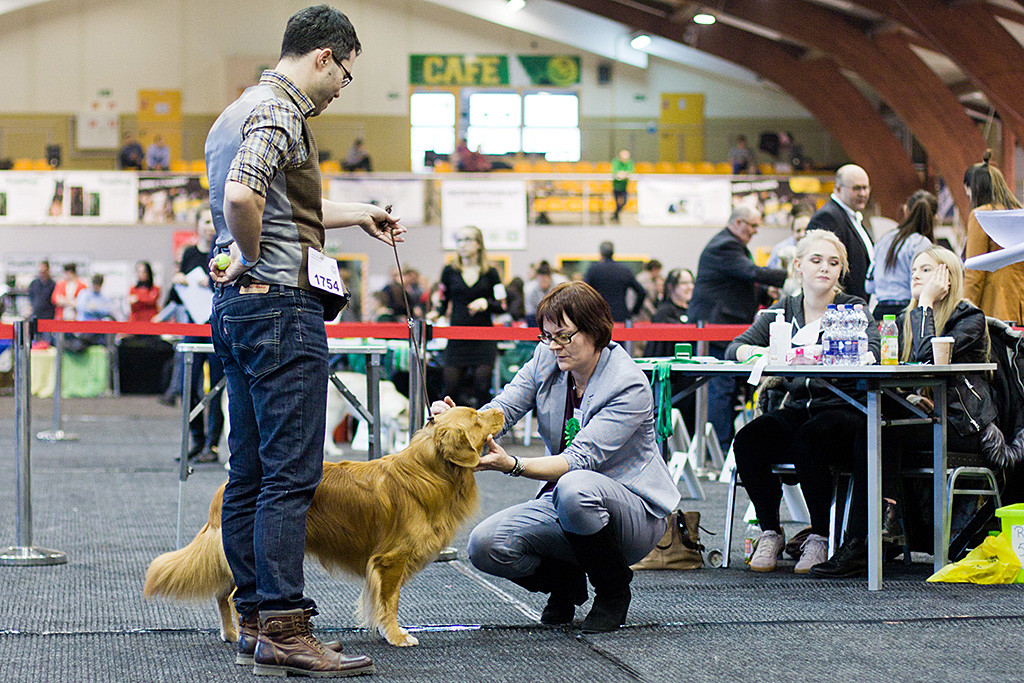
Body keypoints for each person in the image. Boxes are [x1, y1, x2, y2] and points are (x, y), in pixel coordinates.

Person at [205, 6, 403, 675]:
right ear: (324, 56)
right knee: (292, 476)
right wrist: (260, 259)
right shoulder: (280, 111)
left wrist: (359, 212)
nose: (342, 86)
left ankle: (260, 619)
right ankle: (286, 626)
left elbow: (279, 203)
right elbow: (243, 199)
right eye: (345, 73)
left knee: (251, 471)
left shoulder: (235, 112)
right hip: (280, 309)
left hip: (234, 308)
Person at [433, 281, 679, 632]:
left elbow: (580, 459)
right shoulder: (545, 359)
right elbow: (503, 409)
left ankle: (613, 590)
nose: (553, 346)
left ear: (595, 330)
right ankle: (566, 582)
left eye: (563, 336)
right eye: (546, 336)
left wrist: (513, 465)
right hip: (568, 499)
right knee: (484, 546)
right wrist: (458, 423)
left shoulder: (628, 384)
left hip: (634, 512)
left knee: (575, 487)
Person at [811, 247, 996, 578]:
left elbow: (929, 360)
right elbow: (896, 374)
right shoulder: (900, 320)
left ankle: (867, 539)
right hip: (920, 419)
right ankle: (868, 534)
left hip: (960, 425)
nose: (915, 275)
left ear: (946, 278)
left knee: (882, 429)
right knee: (865, 426)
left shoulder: (969, 319)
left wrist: (925, 303)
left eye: (925, 270)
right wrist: (909, 395)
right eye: (913, 269)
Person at [727, 230, 879, 574]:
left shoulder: (853, 308)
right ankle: (771, 530)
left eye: (833, 262)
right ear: (798, 266)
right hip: (798, 407)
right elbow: (734, 347)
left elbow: (873, 350)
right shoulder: (781, 311)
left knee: (808, 439)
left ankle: (820, 535)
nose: (824, 268)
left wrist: (828, 354)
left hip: (842, 408)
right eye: (816, 260)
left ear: (841, 271)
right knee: (749, 439)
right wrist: (762, 351)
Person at [687, 207, 787, 452]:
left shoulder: (729, 245)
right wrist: (792, 276)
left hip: (723, 323)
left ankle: (721, 445)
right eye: (752, 226)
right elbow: (751, 272)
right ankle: (718, 448)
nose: (755, 231)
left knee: (726, 387)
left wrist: (764, 293)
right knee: (721, 387)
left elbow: (738, 283)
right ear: (739, 222)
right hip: (717, 325)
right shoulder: (724, 246)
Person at [435, 225, 505, 408]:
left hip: (483, 339)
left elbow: (502, 305)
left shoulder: (491, 272)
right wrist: (435, 312)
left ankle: (483, 434)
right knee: (450, 388)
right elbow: (442, 300)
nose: (462, 245)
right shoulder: (449, 271)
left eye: (467, 240)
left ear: (478, 244)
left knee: (482, 388)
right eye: (459, 240)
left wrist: (486, 303)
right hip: (457, 337)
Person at [962, 151, 1024, 325]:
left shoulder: (981, 215)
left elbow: (975, 273)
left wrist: (963, 315)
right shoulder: (1018, 213)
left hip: (995, 311)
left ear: (972, 187)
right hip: (1019, 308)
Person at [865, 190, 936, 321]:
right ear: (935, 217)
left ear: (905, 210)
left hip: (879, 313)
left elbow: (869, 286)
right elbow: (922, 287)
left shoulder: (884, 238)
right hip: (907, 313)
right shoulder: (922, 243)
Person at [807, 164, 874, 300]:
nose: (863, 193)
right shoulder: (827, 217)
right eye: (856, 188)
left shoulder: (854, 217)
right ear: (837, 188)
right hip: (842, 306)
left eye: (865, 188)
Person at [583, 241, 645, 324]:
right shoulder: (624, 270)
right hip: (621, 316)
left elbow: (582, 292)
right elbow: (641, 292)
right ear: (613, 253)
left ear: (600, 253)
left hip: (599, 315)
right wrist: (634, 311)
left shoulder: (593, 270)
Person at [643, 268, 694, 358]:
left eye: (691, 282)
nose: (690, 287)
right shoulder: (663, 312)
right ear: (671, 286)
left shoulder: (693, 310)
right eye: (684, 283)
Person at [524, 260, 566, 327]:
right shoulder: (530, 289)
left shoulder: (559, 286)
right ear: (537, 279)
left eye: (545, 280)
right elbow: (529, 311)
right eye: (541, 280)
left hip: (556, 316)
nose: (543, 282)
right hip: (536, 316)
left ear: (550, 278)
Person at [610, 149, 633, 223]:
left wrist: (623, 174)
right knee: (617, 203)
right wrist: (622, 174)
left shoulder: (629, 163)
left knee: (624, 202)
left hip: (624, 187)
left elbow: (630, 172)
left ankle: (615, 215)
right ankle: (616, 217)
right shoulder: (615, 162)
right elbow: (615, 173)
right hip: (616, 186)